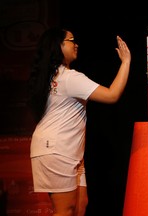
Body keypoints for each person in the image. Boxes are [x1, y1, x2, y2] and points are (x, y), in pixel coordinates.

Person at [27, 27, 131, 216]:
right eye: (71, 40)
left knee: (80, 206)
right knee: (64, 210)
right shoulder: (69, 78)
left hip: (69, 151)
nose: (76, 44)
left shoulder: (54, 76)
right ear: (58, 46)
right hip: (58, 149)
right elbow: (112, 95)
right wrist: (126, 62)